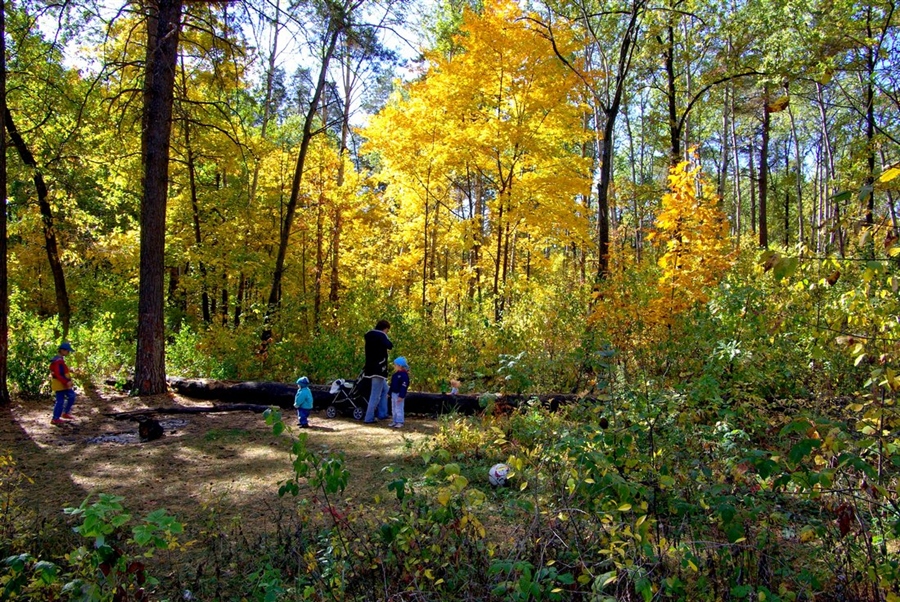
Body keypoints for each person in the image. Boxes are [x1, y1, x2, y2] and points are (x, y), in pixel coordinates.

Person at [362, 319, 393, 424]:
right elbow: (390, 345)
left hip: (370, 368)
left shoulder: (368, 335)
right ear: (385, 329)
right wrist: (385, 336)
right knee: (375, 394)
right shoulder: (381, 335)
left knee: (385, 389)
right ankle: (369, 417)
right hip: (379, 369)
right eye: (387, 331)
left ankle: (382, 413)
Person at [50, 341, 76, 426]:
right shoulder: (58, 361)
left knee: (71, 396)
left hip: (62, 383)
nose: (68, 353)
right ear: (62, 350)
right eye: (67, 351)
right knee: (60, 400)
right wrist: (67, 382)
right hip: (60, 383)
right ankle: (55, 418)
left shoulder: (59, 360)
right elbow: (58, 374)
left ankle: (64, 413)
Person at [388, 357, 410, 428]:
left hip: (399, 394)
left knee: (399, 408)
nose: (394, 366)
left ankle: (400, 421)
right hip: (393, 394)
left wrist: (401, 395)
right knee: (393, 408)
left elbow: (404, 386)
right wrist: (389, 393)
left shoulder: (404, 375)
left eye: (395, 365)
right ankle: (394, 420)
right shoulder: (395, 375)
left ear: (399, 366)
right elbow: (392, 385)